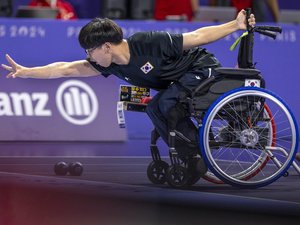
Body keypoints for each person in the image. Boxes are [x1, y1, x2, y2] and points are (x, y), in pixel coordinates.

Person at [2, 10, 255, 174]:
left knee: (165, 103)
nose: (87, 56)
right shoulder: (109, 63)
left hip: (200, 70)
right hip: (177, 85)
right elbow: (66, 69)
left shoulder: (149, 41)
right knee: (154, 108)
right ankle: (192, 159)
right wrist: (26, 71)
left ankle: (197, 151)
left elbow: (198, 36)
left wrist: (236, 24)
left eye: (89, 51)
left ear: (106, 46)